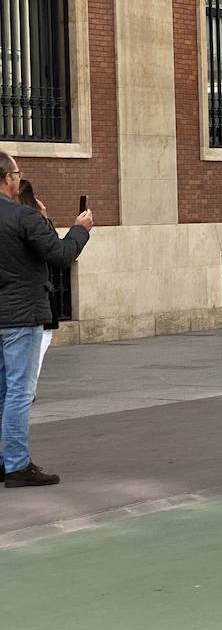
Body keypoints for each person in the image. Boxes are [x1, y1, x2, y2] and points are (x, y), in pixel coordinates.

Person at [0, 152, 92, 488]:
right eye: (17, 173)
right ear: (9, 177)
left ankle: (5, 461)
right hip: (21, 315)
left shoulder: (26, 217)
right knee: (19, 392)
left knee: (2, 392)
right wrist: (80, 230)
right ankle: (17, 465)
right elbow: (61, 255)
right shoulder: (23, 217)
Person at [15, 180, 61, 376]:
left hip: (14, 307)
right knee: (26, 372)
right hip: (31, 307)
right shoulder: (29, 223)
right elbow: (57, 253)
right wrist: (43, 220)